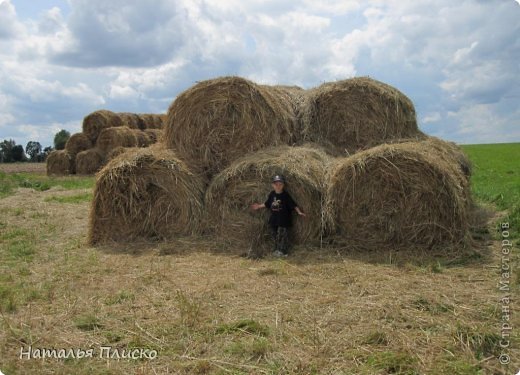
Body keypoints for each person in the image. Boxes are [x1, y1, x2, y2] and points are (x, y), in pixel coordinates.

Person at [251, 175, 305, 257]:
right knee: (274, 235)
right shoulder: (272, 194)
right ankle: (276, 250)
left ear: (283, 185)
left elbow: (293, 205)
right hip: (274, 219)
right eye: (276, 184)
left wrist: (299, 212)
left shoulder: (285, 195)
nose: (278, 186)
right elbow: (267, 204)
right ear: (273, 185)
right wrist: (258, 206)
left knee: (283, 236)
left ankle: (283, 252)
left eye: (280, 184)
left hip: (284, 220)